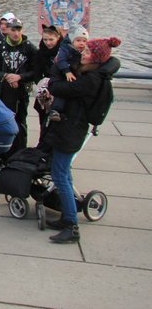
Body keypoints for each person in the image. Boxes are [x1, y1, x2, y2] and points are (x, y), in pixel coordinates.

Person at [42, 36, 121, 244]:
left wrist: (57, 73)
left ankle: (71, 226)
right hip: (70, 128)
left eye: (86, 52)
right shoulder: (93, 73)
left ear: (95, 58)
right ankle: (66, 217)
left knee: (59, 174)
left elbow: (57, 87)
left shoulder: (90, 80)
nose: (82, 54)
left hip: (71, 130)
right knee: (64, 173)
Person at [0, 17, 37, 157]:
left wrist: (20, 77)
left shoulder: (29, 48)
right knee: (1, 121)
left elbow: (36, 71)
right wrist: (6, 76)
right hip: (1, 91)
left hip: (21, 91)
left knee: (20, 122)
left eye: (18, 29)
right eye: (13, 29)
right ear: (7, 30)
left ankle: (20, 154)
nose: (16, 33)